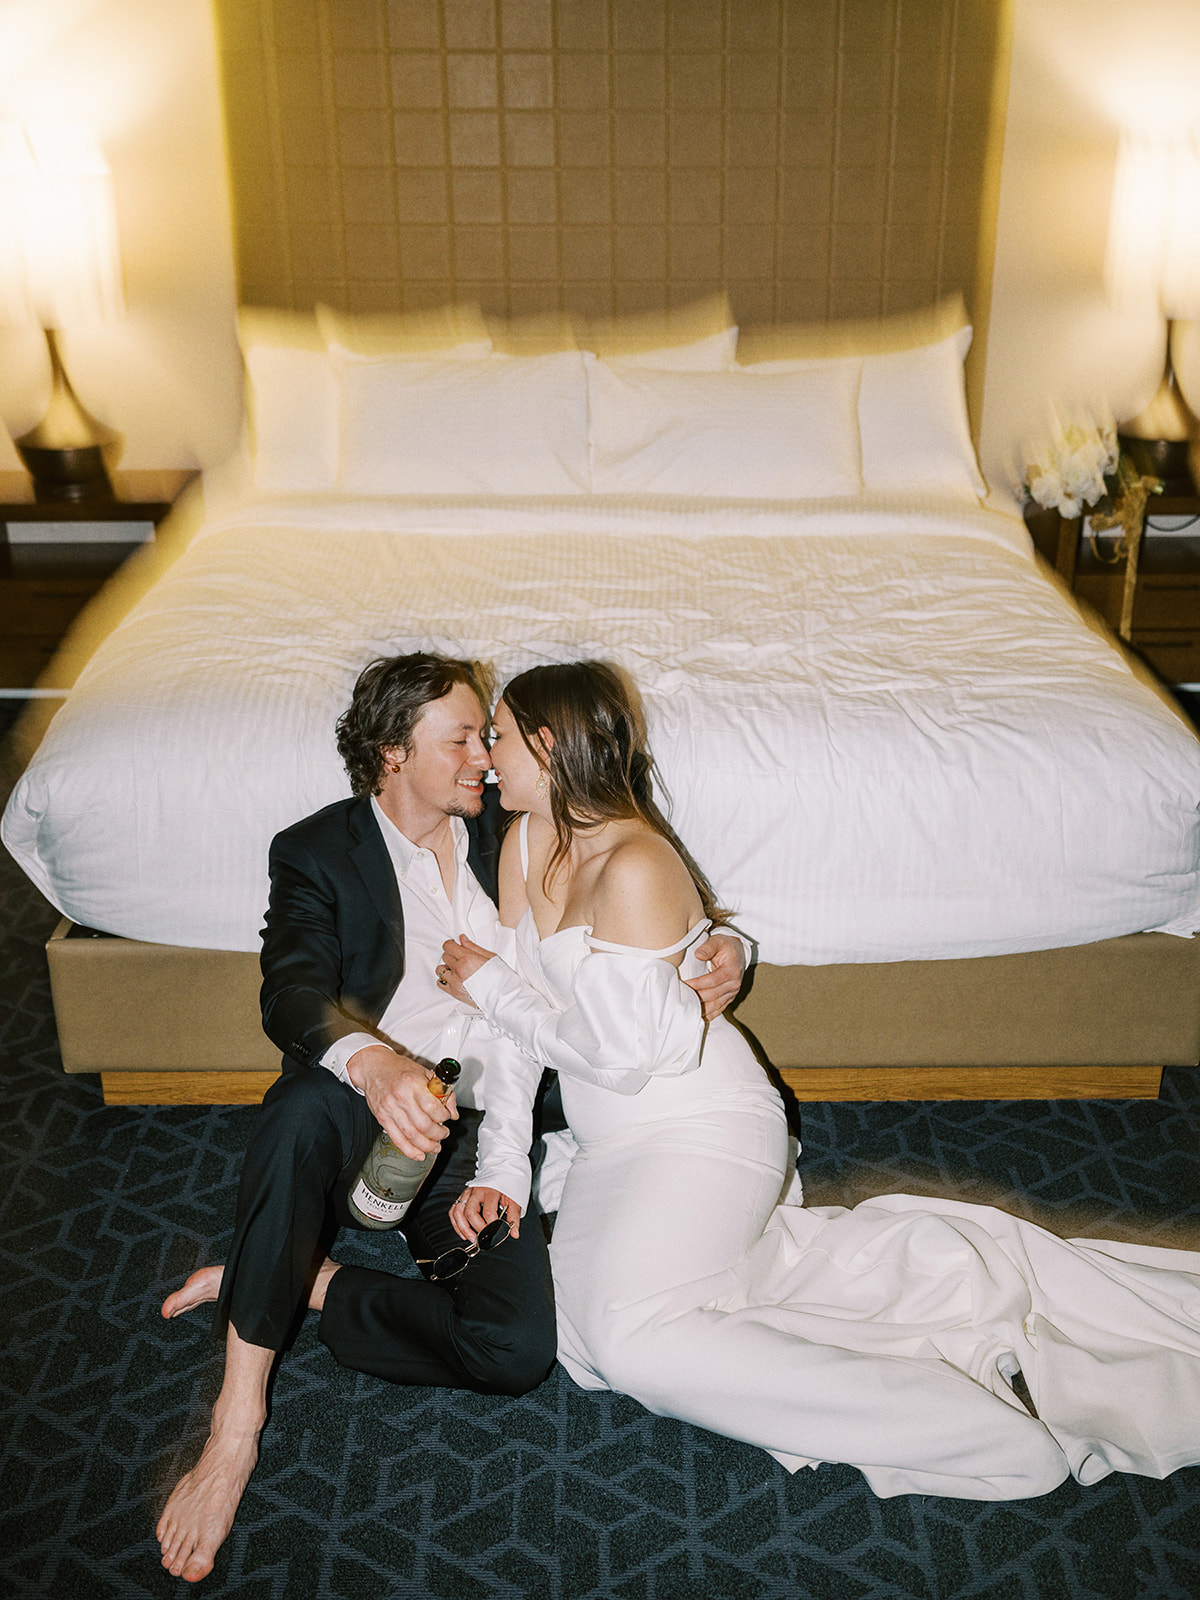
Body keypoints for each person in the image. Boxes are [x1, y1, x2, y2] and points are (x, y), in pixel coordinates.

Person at [440, 659, 1200, 1501]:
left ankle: (975, 1431)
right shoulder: (524, 840)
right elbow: (511, 1039)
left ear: (546, 745)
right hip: (610, 1140)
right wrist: (500, 1165)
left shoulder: (634, 863)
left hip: (701, 1130)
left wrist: (496, 990)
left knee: (631, 1343)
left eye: (497, 737)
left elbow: (614, 1053)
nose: (482, 756)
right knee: (578, 1332)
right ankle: (779, 1278)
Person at [154, 651, 747, 1582]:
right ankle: (236, 1427)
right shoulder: (316, 850)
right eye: (461, 738)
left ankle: (300, 1277)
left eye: (487, 736)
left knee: (514, 1352)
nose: (483, 756)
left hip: (479, 1127)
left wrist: (717, 947)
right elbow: (292, 991)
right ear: (394, 752)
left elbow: (625, 887)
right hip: (360, 1115)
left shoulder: (509, 829)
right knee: (305, 1106)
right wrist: (376, 1063)